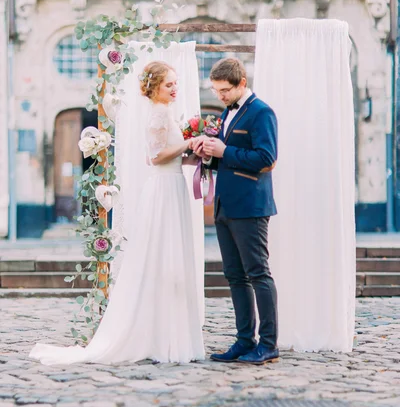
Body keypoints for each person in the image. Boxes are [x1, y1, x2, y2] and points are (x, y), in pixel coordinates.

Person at [29, 61, 205, 366]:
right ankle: (158, 336)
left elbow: (171, 157)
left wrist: (192, 154)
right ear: (154, 88)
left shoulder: (167, 114)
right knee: (161, 257)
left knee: (171, 258)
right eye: (169, 85)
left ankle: (167, 332)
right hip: (163, 190)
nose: (175, 89)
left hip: (171, 185)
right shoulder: (158, 114)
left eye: (176, 84)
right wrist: (188, 143)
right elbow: (155, 157)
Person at [193, 58, 279, 366]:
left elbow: (267, 158)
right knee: (234, 276)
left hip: (250, 205)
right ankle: (245, 340)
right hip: (224, 204)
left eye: (225, 90)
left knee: (258, 273)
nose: (221, 96)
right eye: (216, 90)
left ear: (242, 82)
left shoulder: (261, 112)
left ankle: (268, 344)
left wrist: (224, 151)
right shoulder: (229, 113)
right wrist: (208, 156)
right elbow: (228, 159)